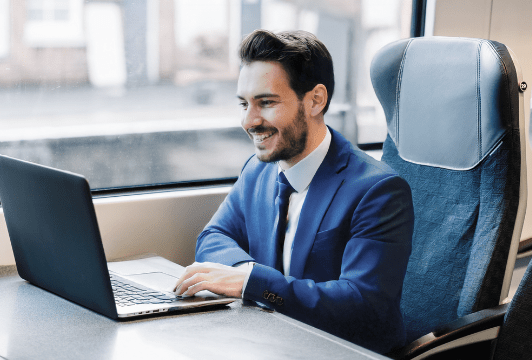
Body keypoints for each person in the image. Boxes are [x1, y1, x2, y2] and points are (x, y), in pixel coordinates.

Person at [172, 29, 414, 354]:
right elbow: (214, 236)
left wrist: (252, 284)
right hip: (271, 343)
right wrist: (245, 275)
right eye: (245, 103)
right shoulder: (258, 170)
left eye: (266, 103)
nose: (248, 121)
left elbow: (363, 304)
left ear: (315, 100)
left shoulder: (377, 191)